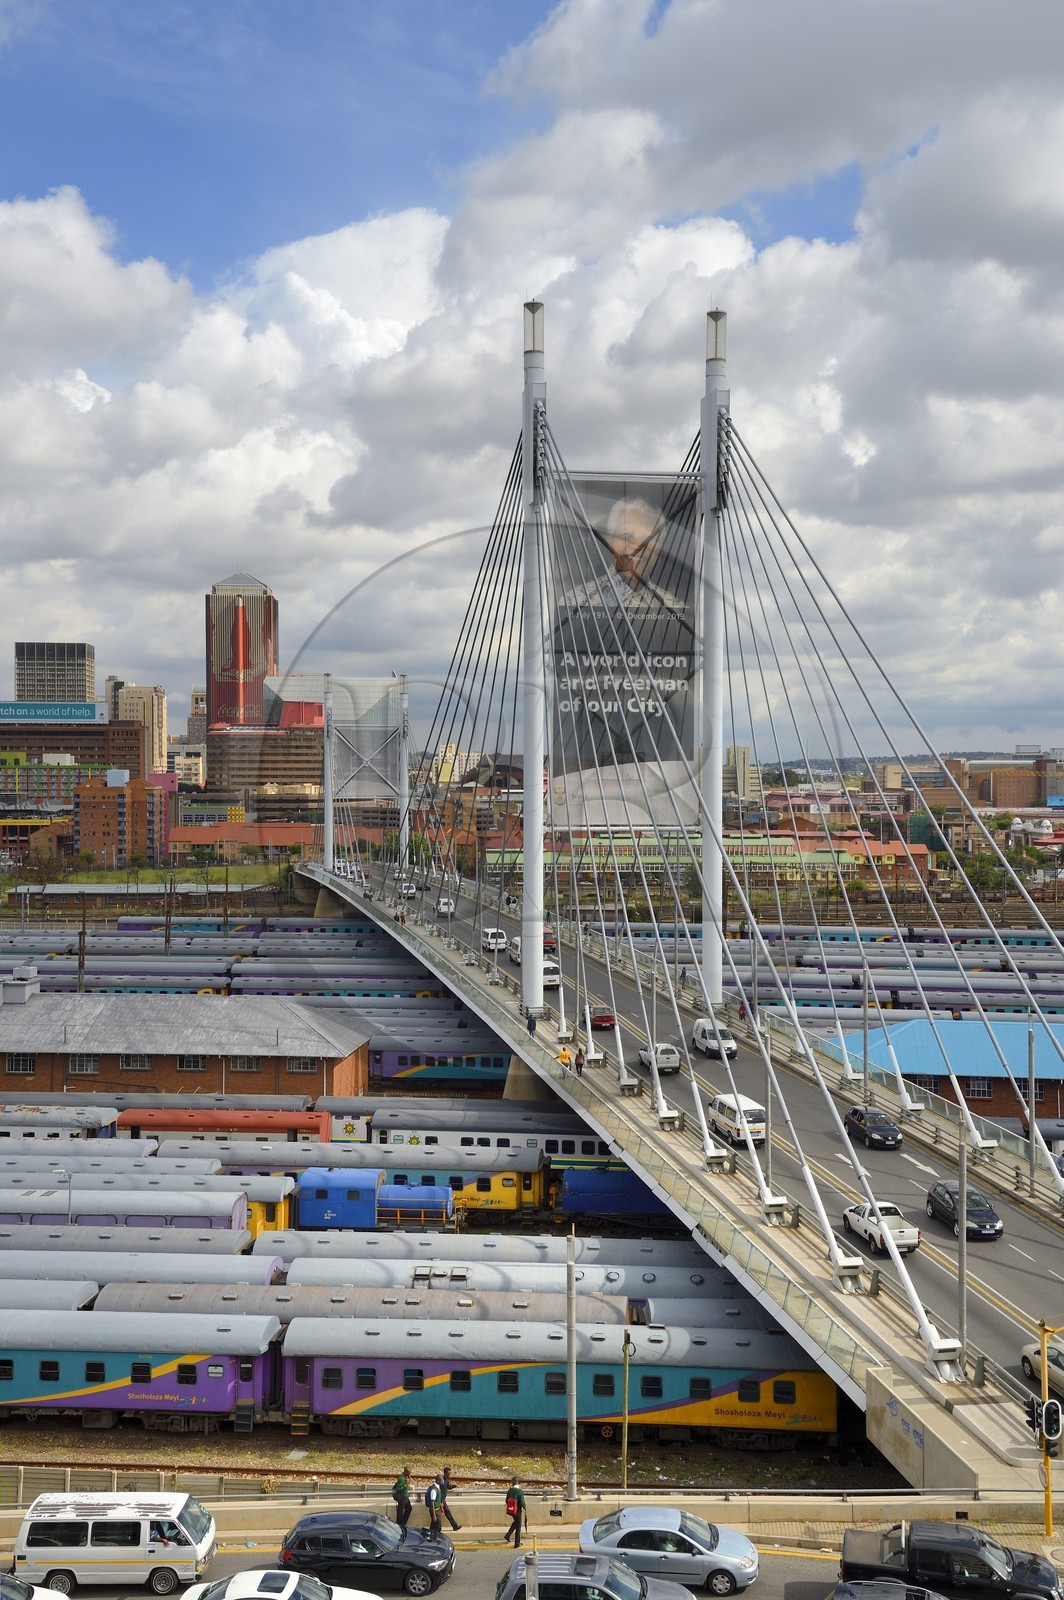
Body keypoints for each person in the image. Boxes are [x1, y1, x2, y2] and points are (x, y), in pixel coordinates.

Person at [503, 1477, 525, 1547]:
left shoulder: (510, 1490)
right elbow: (522, 1503)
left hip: (510, 1510)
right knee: (518, 1527)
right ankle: (517, 1543)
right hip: (517, 1511)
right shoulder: (520, 1492)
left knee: (516, 1522)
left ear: (513, 1482)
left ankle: (508, 1535)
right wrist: (525, 1507)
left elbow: (506, 1500)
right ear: (518, 1483)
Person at [439, 1466, 461, 1532]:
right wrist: (442, 1502)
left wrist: (454, 1486)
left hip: (442, 1500)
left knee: (447, 1513)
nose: (449, 1476)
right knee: (440, 1514)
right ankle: (455, 1526)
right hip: (440, 1500)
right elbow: (441, 1492)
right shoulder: (442, 1481)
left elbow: (448, 1487)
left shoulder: (446, 1481)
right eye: (448, 1474)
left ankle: (455, 1526)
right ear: (445, 1473)